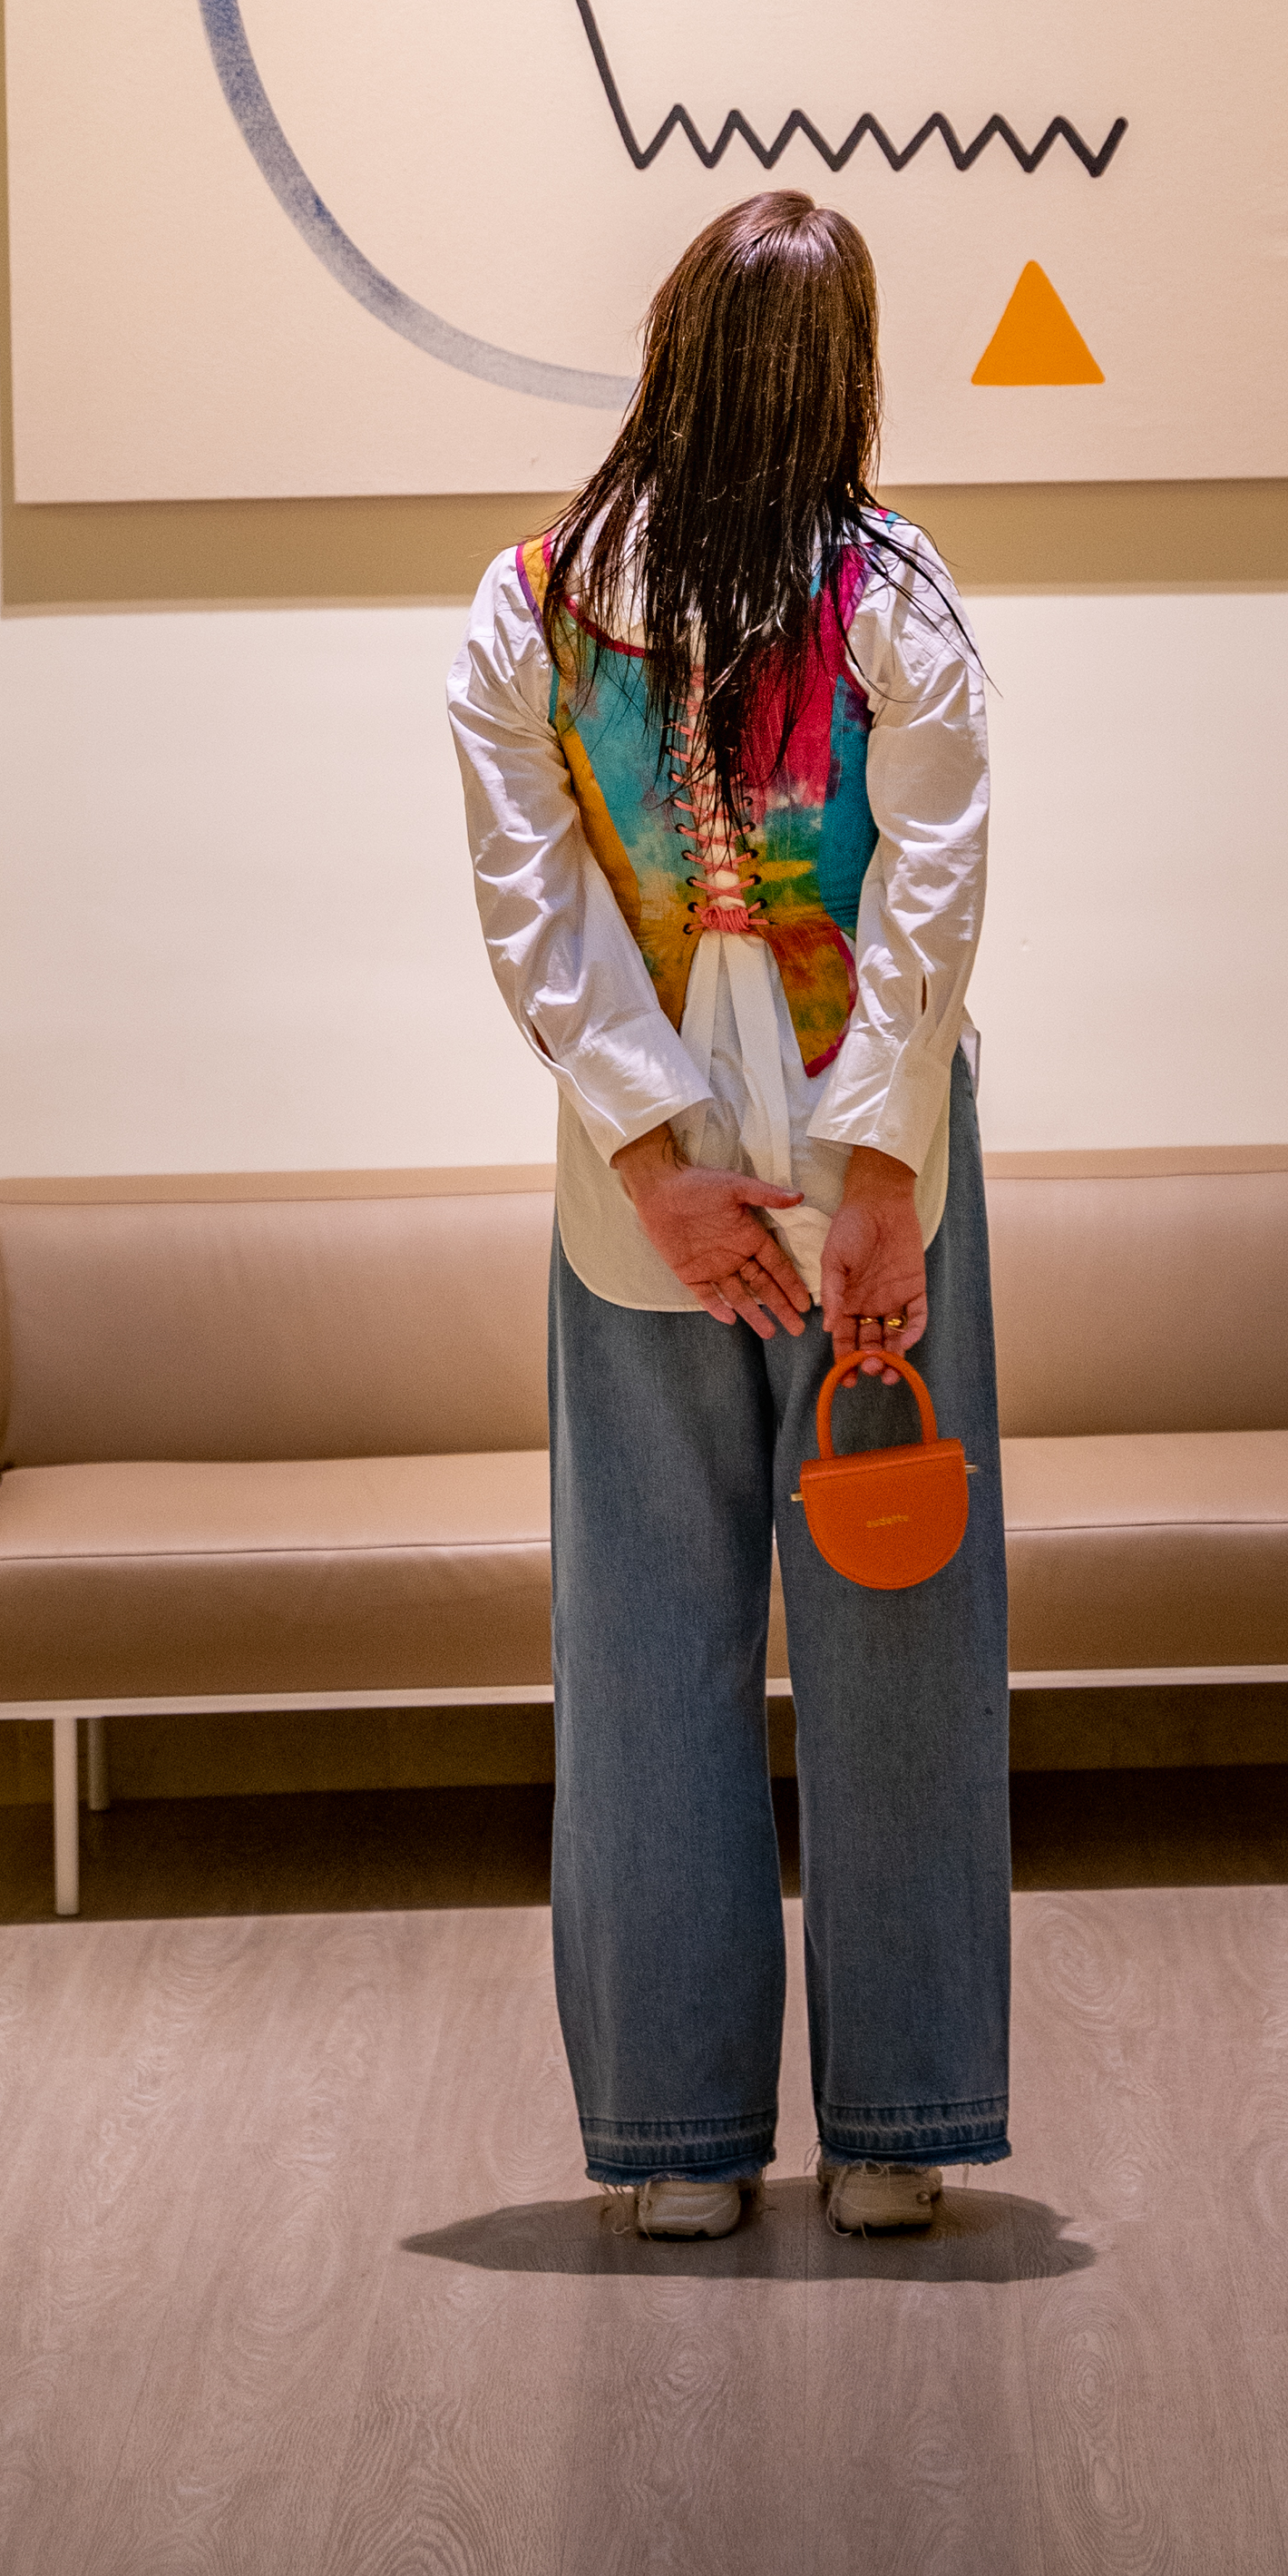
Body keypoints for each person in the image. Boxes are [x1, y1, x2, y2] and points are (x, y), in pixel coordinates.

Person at [447, 189, 1010, 2242]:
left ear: (670, 348)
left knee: (644, 1639)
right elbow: (920, 896)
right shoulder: (891, 593)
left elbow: (541, 917)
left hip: (641, 1193)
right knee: (898, 1621)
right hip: (877, 1151)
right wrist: (873, 1174)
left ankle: (677, 2153)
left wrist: (661, 1166)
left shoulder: (528, 601)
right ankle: (893, 2127)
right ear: (838, 375)